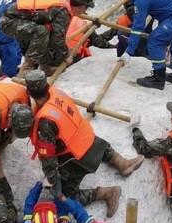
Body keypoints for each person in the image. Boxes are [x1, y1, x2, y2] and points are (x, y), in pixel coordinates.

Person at [26, 69, 141, 212]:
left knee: (68, 198)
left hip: (78, 157)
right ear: (47, 86)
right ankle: (122, 163)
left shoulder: (45, 122)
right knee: (94, 143)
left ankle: (107, 193)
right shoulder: (57, 94)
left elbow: (49, 159)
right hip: (90, 138)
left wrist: (53, 182)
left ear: (29, 93)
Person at [0, 0, 36, 79]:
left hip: (7, 37)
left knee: (17, 56)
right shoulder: (12, 7)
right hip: (4, 40)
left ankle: (11, 71)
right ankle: (6, 79)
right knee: (10, 64)